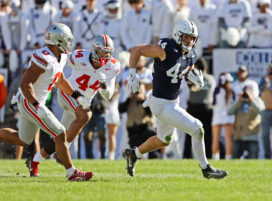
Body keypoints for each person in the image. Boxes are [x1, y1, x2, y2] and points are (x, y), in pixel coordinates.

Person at [123, 19, 228, 179]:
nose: (190, 41)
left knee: (163, 140)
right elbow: (136, 50)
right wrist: (132, 74)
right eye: (186, 37)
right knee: (197, 128)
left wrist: (196, 83)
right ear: (178, 35)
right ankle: (206, 168)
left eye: (192, 38)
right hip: (161, 103)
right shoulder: (165, 48)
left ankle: (134, 154)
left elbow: (187, 78)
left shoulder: (191, 54)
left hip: (172, 102)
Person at [0, 23, 93, 181]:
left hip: (35, 101)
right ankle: (72, 173)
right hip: (30, 101)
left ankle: (33, 163)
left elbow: (60, 80)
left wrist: (77, 96)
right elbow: (25, 83)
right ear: (58, 40)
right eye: (67, 40)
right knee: (60, 132)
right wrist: (37, 105)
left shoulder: (61, 57)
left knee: (23, 140)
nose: (69, 44)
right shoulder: (43, 58)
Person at [28, 34, 120, 173]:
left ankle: (35, 161)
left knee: (59, 136)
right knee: (85, 115)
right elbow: (60, 59)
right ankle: (62, 152)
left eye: (108, 52)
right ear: (95, 49)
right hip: (68, 94)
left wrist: (104, 85)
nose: (106, 55)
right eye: (102, 51)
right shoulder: (79, 56)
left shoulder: (113, 66)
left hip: (82, 102)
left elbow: (107, 95)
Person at [227, 85, 265, 159]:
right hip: (238, 136)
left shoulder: (257, 100)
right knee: (235, 160)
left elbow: (261, 112)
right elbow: (229, 112)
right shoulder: (240, 101)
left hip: (252, 136)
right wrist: (239, 100)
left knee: (253, 161)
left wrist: (251, 100)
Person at [212, 72, 235, 160]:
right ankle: (228, 157)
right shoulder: (231, 90)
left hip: (217, 115)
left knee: (216, 138)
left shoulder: (217, 89)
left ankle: (215, 157)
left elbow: (213, 103)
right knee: (228, 138)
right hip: (228, 115)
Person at [259, 64, 272, 159]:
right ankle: (268, 155)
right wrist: (268, 80)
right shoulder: (264, 79)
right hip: (266, 110)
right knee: (265, 134)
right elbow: (260, 89)